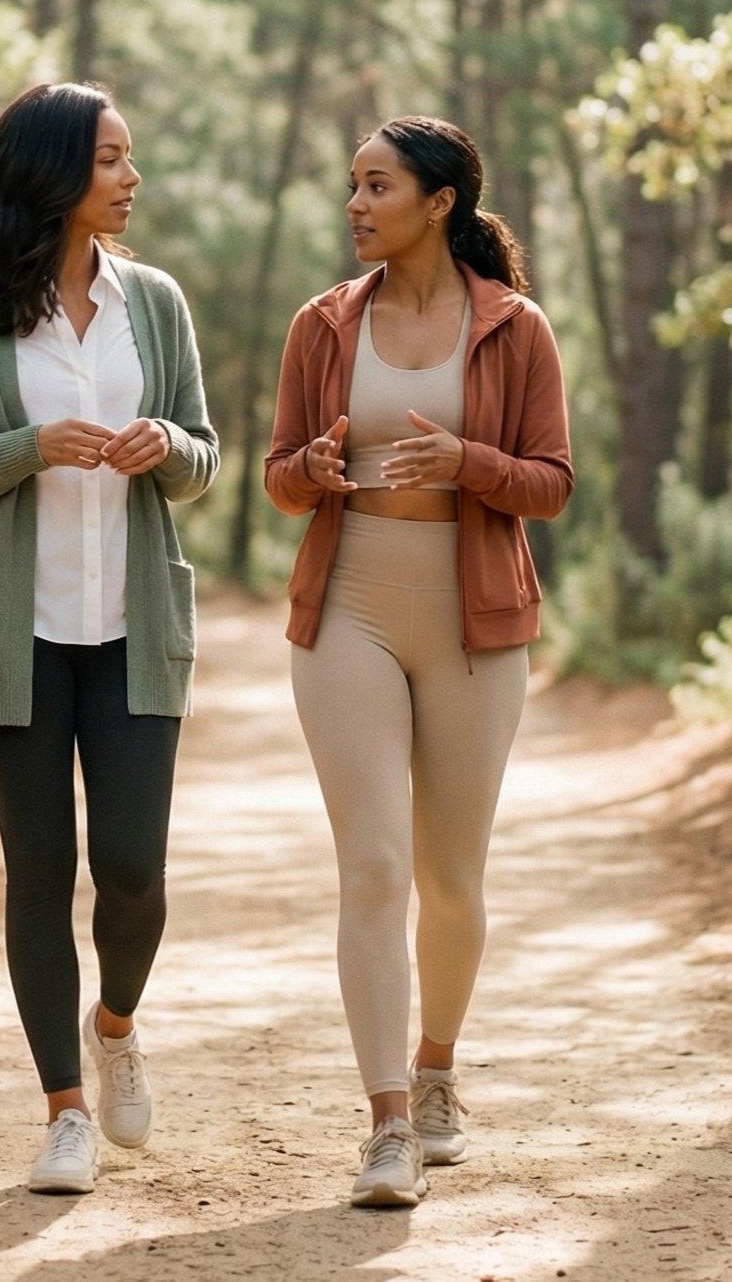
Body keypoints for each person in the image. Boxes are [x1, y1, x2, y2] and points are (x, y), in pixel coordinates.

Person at [0, 83, 218, 1196]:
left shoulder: (157, 303)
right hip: (13, 633)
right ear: (53, 171)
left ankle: (116, 1022)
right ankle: (64, 1110)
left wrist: (163, 442)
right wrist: (29, 445)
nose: (133, 179)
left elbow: (205, 456)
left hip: (135, 630)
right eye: (114, 159)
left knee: (133, 874)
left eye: (132, 159)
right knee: (41, 870)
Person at [265, 116, 572, 1208]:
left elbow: (551, 480)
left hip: (476, 616)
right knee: (375, 866)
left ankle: (439, 1068)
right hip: (348, 604)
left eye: (376, 184)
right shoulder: (320, 325)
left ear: (437, 201)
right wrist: (310, 464)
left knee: (450, 877)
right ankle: (389, 1121)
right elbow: (279, 478)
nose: (354, 203)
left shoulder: (515, 327)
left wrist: (467, 461)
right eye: (351, 183)